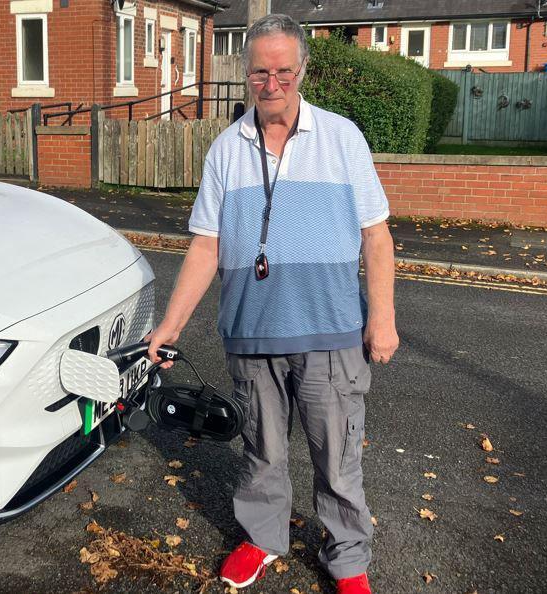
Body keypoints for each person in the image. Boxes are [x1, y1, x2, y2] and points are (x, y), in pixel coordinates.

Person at [144, 14, 399, 594]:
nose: (272, 83)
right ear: (246, 75)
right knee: (261, 454)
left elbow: (376, 235)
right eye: (260, 72)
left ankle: (348, 559)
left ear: (302, 70)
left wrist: (380, 318)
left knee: (337, 461)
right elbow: (206, 244)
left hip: (332, 333)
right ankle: (262, 538)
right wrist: (171, 324)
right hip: (251, 335)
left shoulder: (341, 138)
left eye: (284, 70)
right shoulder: (226, 150)